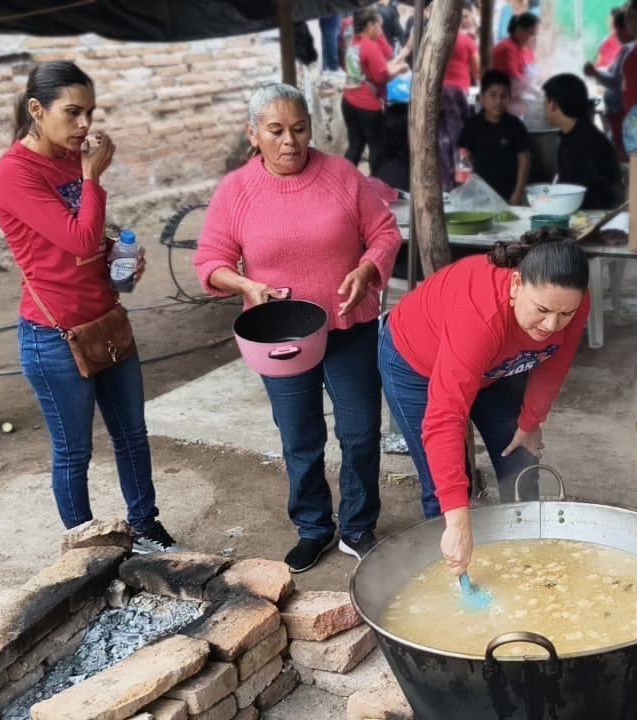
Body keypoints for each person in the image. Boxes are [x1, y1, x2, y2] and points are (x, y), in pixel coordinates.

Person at [195, 84, 402, 573]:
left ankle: (357, 526)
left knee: (360, 431)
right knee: (300, 437)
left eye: (300, 128)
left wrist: (367, 269)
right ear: (253, 134)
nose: (290, 141)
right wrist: (246, 283)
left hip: (349, 325)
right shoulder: (237, 191)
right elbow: (210, 261)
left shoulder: (342, 176)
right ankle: (313, 527)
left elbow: (385, 233)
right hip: (280, 336)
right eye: (276, 131)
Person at [0, 61, 179, 554]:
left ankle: (146, 527)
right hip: (54, 335)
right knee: (75, 452)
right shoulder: (14, 172)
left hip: (107, 318)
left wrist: (119, 256)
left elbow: (86, 238)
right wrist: (93, 176)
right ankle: (89, 554)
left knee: (132, 435)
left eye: (90, 113)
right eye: (73, 113)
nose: (85, 126)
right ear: (37, 110)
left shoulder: (73, 158)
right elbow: (78, 232)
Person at [379, 231, 591, 577]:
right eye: (542, 310)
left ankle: (528, 567)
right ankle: (456, 583)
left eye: (565, 314)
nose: (552, 325)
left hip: (492, 368)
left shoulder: (571, 300)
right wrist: (459, 520)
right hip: (415, 364)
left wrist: (530, 421)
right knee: (445, 489)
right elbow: (445, 417)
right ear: (516, 284)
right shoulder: (479, 315)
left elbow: (556, 361)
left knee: (519, 459)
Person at [542, 73, 624, 210]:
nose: (544, 106)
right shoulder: (570, 136)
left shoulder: (585, 142)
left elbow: (589, 195)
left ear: (553, 104)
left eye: (545, 100)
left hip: (597, 218)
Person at [343, 7, 409, 177]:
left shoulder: (354, 44)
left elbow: (364, 72)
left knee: (355, 145)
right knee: (377, 146)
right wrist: (400, 69)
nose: (381, 31)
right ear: (370, 25)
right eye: (379, 26)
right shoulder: (369, 46)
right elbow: (382, 76)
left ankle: (343, 180)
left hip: (349, 100)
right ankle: (376, 185)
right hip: (368, 106)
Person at [459, 71, 531, 205]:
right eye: (493, 95)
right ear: (482, 98)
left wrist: (518, 192)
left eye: (504, 96)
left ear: (509, 98)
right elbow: (463, 158)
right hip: (479, 197)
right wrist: (465, 190)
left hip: (509, 196)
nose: (498, 101)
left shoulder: (516, 126)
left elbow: (524, 159)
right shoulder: (472, 125)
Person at [584, 10, 636, 160]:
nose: (616, 35)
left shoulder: (629, 49)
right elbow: (613, 71)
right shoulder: (630, 49)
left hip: (621, 111)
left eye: (617, 30)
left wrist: (595, 74)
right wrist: (598, 72)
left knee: (623, 152)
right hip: (619, 111)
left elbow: (617, 82)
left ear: (626, 28)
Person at [440, 8, 481, 189]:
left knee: (442, 137)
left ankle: (446, 180)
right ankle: (462, 178)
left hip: (438, 93)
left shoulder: (437, 41)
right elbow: (478, 69)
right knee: (461, 137)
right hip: (457, 93)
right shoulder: (466, 41)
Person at [492, 12, 540, 119]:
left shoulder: (524, 49)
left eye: (535, 35)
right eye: (531, 34)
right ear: (519, 30)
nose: (533, 38)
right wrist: (535, 91)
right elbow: (513, 77)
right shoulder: (507, 48)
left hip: (517, 103)